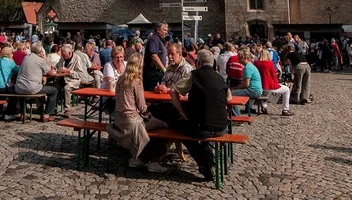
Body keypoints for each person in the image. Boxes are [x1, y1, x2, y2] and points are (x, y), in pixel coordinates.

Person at [169, 49, 231, 182]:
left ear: (198, 63)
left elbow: (173, 90)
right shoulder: (219, 77)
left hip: (203, 127)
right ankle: (208, 159)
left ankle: (205, 164)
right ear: (212, 63)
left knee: (182, 132)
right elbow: (229, 98)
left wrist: (181, 111)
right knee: (200, 128)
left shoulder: (194, 75)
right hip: (222, 126)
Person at [106, 53, 169, 173]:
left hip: (120, 120)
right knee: (164, 127)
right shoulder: (136, 81)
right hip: (133, 121)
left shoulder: (120, 79)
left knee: (151, 127)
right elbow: (142, 107)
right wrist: (149, 110)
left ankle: (140, 158)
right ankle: (153, 160)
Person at [5, 42, 58, 122]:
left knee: (19, 91)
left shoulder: (26, 58)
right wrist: (44, 58)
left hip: (19, 87)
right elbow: (50, 72)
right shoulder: (40, 60)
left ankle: (21, 113)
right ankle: (48, 114)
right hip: (32, 88)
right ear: (40, 51)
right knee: (54, 90)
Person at [61, 43, 103, 116]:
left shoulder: (77, 59)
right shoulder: (63, 58)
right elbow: (59, 67)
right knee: (54, 88)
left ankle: (67, 109)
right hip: (63, 78)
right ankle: (50, 110)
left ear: (69, 53)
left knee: (66, 88)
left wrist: (69, 72)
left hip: (74, 80)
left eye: (64, 55)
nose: (63, 56)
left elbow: (80, 74)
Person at [230, 47, 262, 116]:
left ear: (244, 58)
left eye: (239, 58)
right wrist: (236, 87)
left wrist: (235, 88)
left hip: (254, 91)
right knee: (232, 92)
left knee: (231, 94)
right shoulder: (249, 66)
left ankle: (237, 116)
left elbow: (246, 84)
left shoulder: (247, 68)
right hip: (255, 90)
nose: (238, 59)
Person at [143, 23, 168, 91]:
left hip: (158, 72)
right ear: (158, 30)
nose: (166, 32)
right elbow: (154, 56)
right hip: (153, 73)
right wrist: (164, 69)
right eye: (165, 30)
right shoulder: (154, 39)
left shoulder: (159, 40)